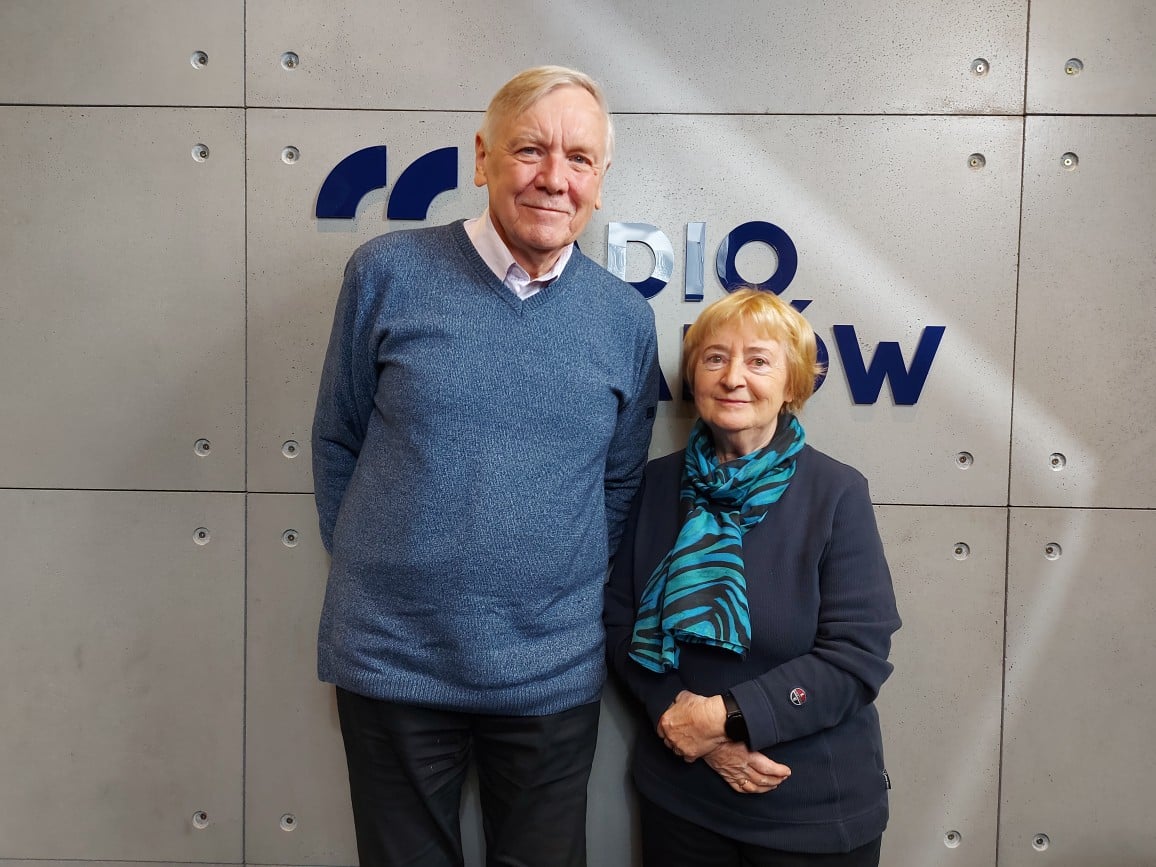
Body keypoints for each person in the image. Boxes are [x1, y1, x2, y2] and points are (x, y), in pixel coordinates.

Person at [312, 65, 659, 867]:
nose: (553, 178)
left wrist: (550, 577)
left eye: (579, 159)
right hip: (391, 658)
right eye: (530, 149)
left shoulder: (622, 318)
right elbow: (338, 438)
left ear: (600, 183)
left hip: (549, 669)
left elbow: (617, 481)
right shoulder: (386, 272)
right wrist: (388, 565)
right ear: (481, 158)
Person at [604, 288, 900, 866]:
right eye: (714, 358)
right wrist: (680, 720)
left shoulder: (836, 493)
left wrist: (726, 719)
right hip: (681, 797)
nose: (733, 376)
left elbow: (855, 656)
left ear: (792, 385)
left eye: (758, 360)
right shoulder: (659, 484)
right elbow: (619, 620)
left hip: (807, 807)